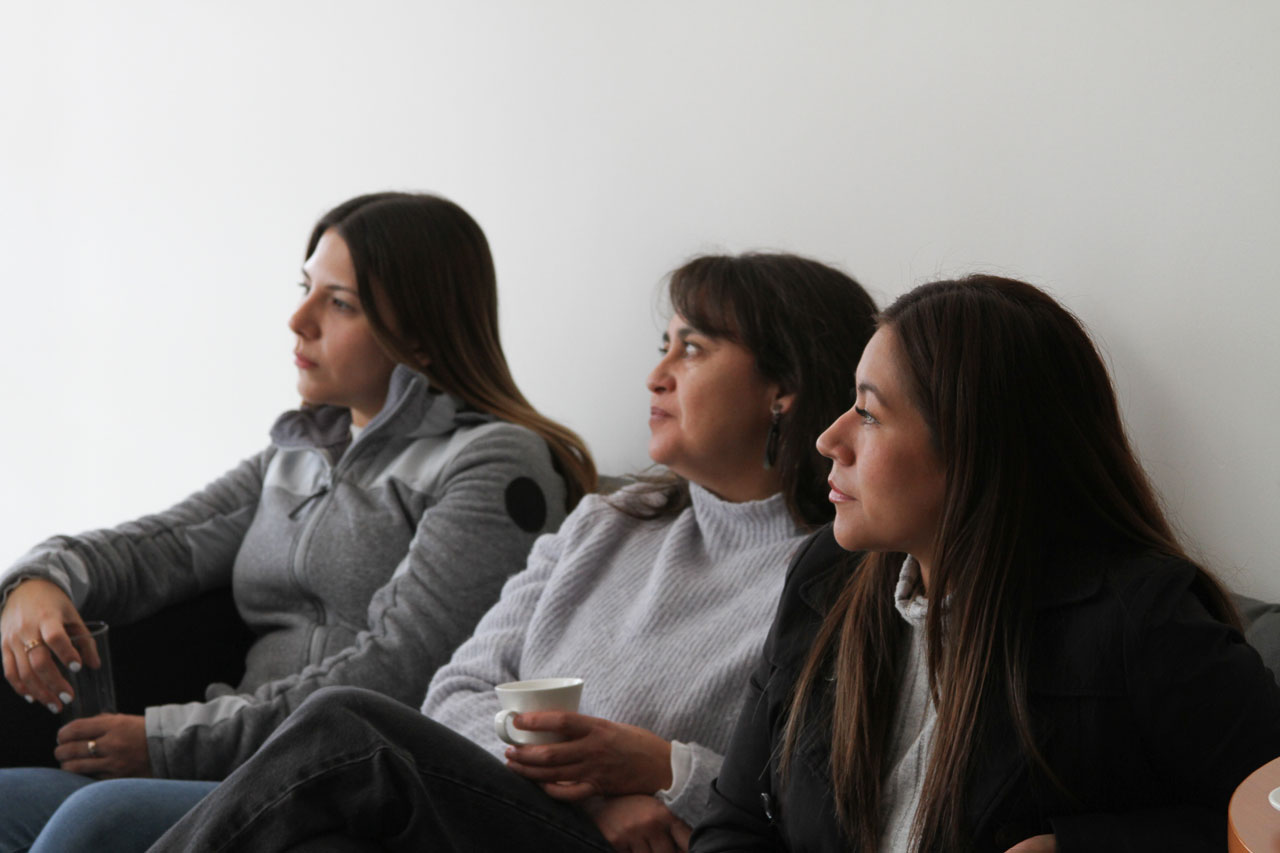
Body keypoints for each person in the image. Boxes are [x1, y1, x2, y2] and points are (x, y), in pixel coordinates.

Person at [141, 252, 880, 852]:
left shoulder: (838, 580)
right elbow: (453, 694)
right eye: (664, 347)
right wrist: (590, 793)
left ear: (783, 388)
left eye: (693, 349)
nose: (657, 375)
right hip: (521, 818)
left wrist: (667, 771)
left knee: (349, 729)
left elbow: (820, 805)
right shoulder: (606, 523)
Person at [0, 192, 596, 852]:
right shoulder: (297, 454)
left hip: (339, 788)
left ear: (422, 335)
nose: (298, 319)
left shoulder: (494, 463)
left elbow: (401, 671)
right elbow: (156, 547)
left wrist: (172, 742)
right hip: (235, 768)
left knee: (99, 821)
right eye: (305, 289)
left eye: (339, 303)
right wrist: (38, 578)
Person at [690, 275, 1280, 852]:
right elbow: (733, 824)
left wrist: (1078, 846)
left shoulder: (1143, 622)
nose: (828, 439)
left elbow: (1262, 819)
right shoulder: (825, 577)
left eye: (868, 413)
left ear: (974, 446)